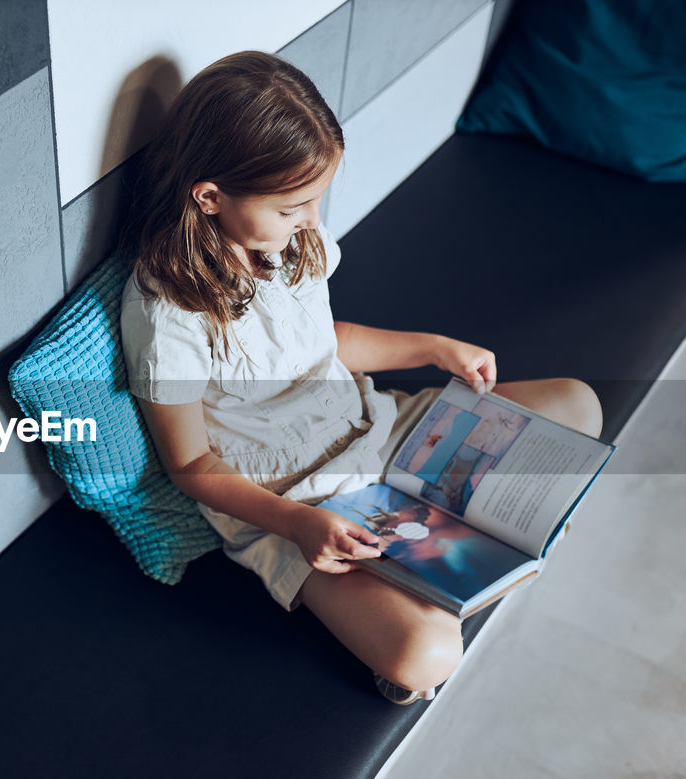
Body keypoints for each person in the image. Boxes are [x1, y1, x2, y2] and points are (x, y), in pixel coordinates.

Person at [119, 51, 602, 705]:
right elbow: (192, 464)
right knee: (426, 654)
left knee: (578, 405)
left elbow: (329, 343)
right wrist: (295, 525)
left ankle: (444, 557)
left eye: (316, 200)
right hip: (299, 501)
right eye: (294, 206)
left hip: (379, 426)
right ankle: (435, 579)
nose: (312, 220)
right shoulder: (167, 311)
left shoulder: (289, 242)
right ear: (209, 196)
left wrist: (435, 348)